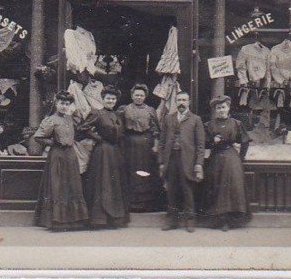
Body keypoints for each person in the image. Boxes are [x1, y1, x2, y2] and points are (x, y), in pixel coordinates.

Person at [33, 91, 89, 232]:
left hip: (70, 155)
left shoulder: (70, 119)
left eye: (66, 104)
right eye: (61, 103)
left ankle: (73, 220)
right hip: (57, 155)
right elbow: (38, 137)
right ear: (56, 104)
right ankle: (57, 221)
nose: (64, 106)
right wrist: (52, 142)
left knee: (72, 185)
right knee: (57, 185)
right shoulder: (51, 120)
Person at [80, 86, 129, 228]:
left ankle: (114, 218)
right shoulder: (97, 113)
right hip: (102, 152)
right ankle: (99, 219)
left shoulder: (117, 115)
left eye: (113, 99)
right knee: (102, 183)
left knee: (114, 183)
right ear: (103, 99)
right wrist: (98, 138)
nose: (111, 101)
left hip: (115, 152)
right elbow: (83, 128)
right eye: (108, 98)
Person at [203, 95, 252, 231]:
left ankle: (232, 219)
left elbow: (245, 141)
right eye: (218, 108)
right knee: (217, 188)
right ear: (215, 110)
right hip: (216, 158)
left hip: (232, 158)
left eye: (223, 107)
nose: (221, 110)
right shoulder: (209, 125)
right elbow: (204, 144)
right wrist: (213, 141)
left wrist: (240, 158)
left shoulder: (236, 123)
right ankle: (220, 220)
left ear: (228, 108)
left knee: (233, 188)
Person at [158, 90, 205, 232]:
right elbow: (161, 142)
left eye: (184, 100)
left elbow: (200, 145)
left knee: (187, 190)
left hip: (188, 160)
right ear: (176, 102)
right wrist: (161, 161)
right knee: (171, 190)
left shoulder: (196, 119)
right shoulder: (168, 118)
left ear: (189, 102)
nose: (181, 103)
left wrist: (198, 163)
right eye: (179, 100)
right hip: (171, 158)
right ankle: (172, 220)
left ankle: (190, 220)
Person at [117, 84, 162, 212]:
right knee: (130, 170)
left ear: (145, 97)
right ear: (132, 96)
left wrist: (155, 144)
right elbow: (119, 127)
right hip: (129, 143)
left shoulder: (150, 110)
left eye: (141, 95)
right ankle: (131, 203)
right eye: (136, 95)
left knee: (145, 170)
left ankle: (145, 204)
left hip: (145, 143)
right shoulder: (124, 109)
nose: (139, 97)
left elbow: (155, 129)